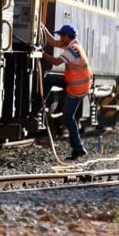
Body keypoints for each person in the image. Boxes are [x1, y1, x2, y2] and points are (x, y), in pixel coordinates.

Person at [42, 23, 93, 161]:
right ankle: (40, 105)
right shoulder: (73, 45)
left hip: (77, 87)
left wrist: (41, 53)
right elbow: (53, 42)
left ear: (66, 36)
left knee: (68, 117)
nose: (59, 38)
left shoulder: (72, 50)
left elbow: (56, 61)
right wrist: (41, 27)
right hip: (75, 81)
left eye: (61, 35)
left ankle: (78, 148)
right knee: (50, 79)